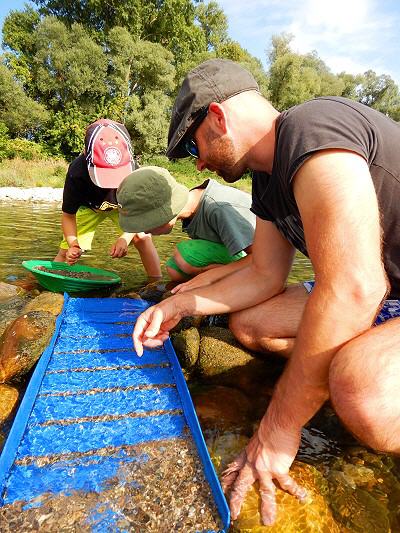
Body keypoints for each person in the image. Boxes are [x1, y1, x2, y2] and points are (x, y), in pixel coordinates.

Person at [131, 58, 400, 525]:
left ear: (218, 117)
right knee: (252, 326)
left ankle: (354, 371)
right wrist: (180, 304)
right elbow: (263, 274)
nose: (199, 163)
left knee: (362, 389)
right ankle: (343, 362)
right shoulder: (267, 178)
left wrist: (278, 428)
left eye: (194, 146)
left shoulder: (312, 130)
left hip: (373, 288)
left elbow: (356, 287)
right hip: (388, 293)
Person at [54, 119, 161, 279]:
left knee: (142, 237)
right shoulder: (77, 172)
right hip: (89, 207)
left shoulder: (134, 171)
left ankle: (156, 283)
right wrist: (73, 244)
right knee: (66, 252)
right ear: (85, 152)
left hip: (123, 207)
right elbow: (68, 216)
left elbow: (139, 214)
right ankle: (42, 284)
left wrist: (125, 238)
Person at [116, 166, 255, 282]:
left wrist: (208, 276)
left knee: (185, 255)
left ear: (163, 214)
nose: (146, 231)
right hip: (241, 260)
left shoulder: (219, 209)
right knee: (174, 269)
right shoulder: (192, 210)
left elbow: (261, 258)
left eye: (146, 224)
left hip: (262, 263)